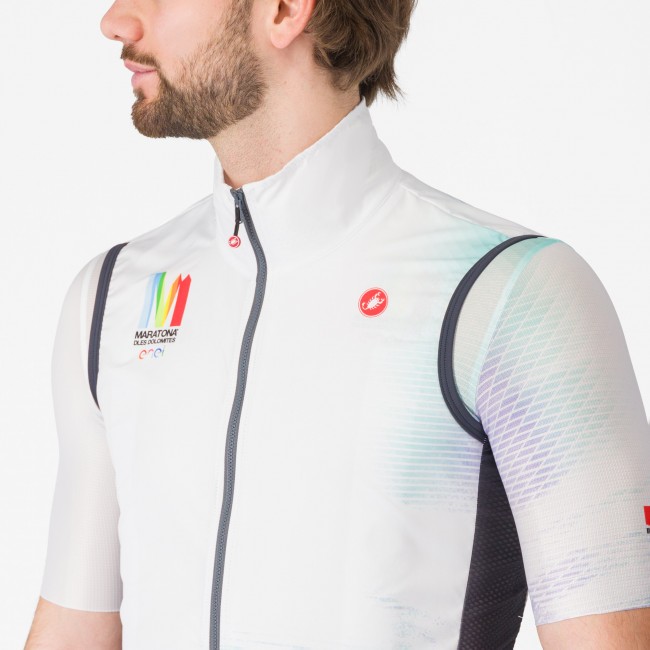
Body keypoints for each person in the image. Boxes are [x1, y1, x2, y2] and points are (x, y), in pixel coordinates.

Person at [25, 0, 650, 648]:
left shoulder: (509, 292)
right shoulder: (113, 297)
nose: (117, 20)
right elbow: (72, 629)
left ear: (286, 9)